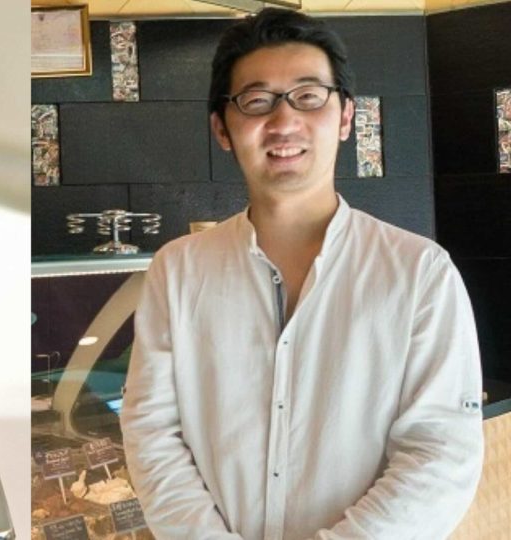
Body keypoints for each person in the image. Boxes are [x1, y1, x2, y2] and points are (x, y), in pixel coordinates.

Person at [119, 8, 484, 540]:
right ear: (222, 127)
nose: (284, 121)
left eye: (309, 96)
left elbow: (440, 452)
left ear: (344, 117)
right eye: (257, 100)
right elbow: (152, 432)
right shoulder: (177, 270)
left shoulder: (420, 272)